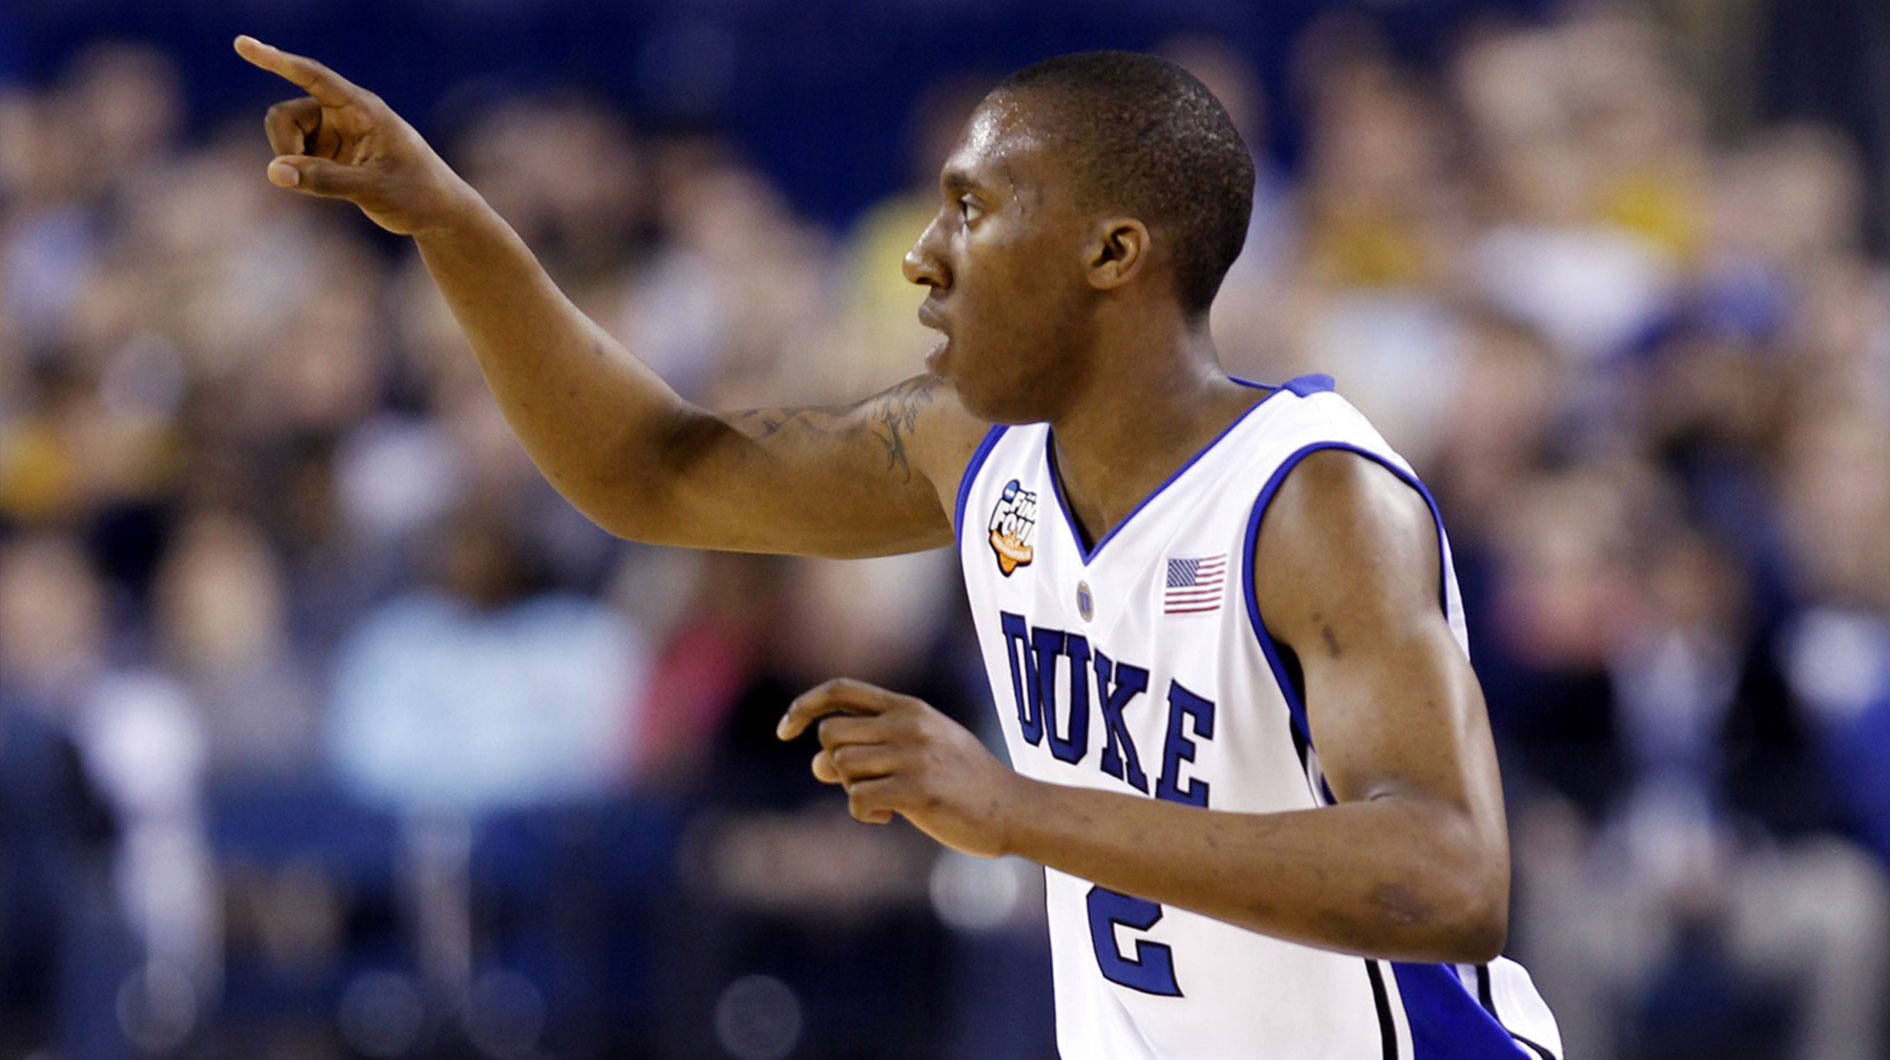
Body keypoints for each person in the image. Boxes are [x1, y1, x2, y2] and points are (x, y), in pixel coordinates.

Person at [236, 36, 1562, 1059]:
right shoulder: (968, 450)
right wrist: (454, 230)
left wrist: (1015, 810)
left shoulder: (1315, 498)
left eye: (973, 210)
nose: (922, 256)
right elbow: (653, 472)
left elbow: (1446, 874)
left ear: (1111, 252)